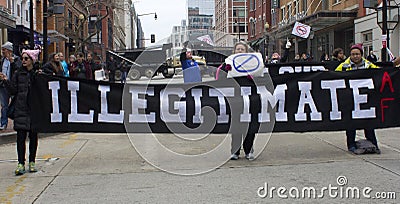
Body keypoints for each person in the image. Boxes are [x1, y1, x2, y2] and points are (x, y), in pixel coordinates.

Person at [0, 49, 40, 175]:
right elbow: (13, 90)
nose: (23, 61)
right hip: (20, 109)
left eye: (26, 58)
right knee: (20, 138)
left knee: (33, 137)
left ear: (32, 61)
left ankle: (32, 161)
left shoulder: (37, 74)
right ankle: (21, 163)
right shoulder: (18, 74)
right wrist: (6, 81)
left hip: (33, 109)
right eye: (22, 58)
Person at [335, 43, 380, 154]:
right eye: (353, 54)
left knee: (368, 123)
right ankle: (351, 145)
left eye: (357, 54)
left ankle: (373, 143)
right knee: (350, 123)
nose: (355, 56)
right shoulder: (344, 66)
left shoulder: (369, 65)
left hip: (365, 99)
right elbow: (334, 76)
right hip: (350, 99)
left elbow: (380, 74)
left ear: (361, 55)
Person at [215, 41, 257, 161]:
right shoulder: (228, 63)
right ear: (234, 51)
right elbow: (219, 78)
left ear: (246, 52)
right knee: (236, 126)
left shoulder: (253, 64)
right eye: (237, 49)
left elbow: (261, 77)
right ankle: (235, 151)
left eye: (242, 49)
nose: (239, 51)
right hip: (235, 99)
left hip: (250, 99)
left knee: (249, 126)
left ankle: (249, 150)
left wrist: (252, 76)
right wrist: (226, 69)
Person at [0, 42, 22, 130]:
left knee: (15, 104)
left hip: (13, 85)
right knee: (4, 105)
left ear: (9, 50)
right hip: (3, 85)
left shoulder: (17, 59)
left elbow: (18, 70)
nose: (3, 52)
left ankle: (16, 122)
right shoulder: (2, 60)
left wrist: (12, 62)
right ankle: (3, 123)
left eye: (4, 50)